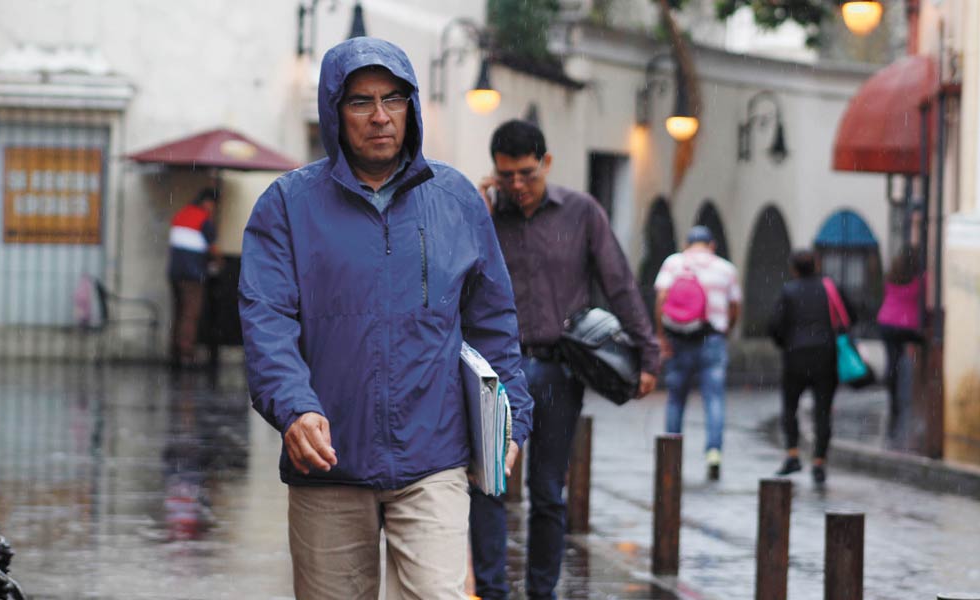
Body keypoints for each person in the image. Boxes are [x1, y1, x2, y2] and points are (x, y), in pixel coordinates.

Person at [238, 37, 532, 600]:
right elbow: (266, 320)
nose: (380, 116)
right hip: (327, 461)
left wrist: (513, 416)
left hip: (435, 457)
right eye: (360, 101)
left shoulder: (455, 199)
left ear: (411, 105)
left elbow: (493, 321)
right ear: (334, 112)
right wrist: (294, 407)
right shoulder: (287, 205)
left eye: (393, 98)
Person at [470, 119, 659, 600]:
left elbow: (619, 282)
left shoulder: (581, 212)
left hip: (558, 369)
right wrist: (478, 212)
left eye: (527, 174)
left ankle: (542, 592)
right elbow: (459, 275)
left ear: (546, 163)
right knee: (488, 483)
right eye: (506, 175)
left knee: (548, 491)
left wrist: (648, 354)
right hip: (496, 371)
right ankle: (492, 591)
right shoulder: (484, 215)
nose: (517, 185)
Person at [654, 225, 741, 481]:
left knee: (675, 398)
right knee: (714, 398)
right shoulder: (725, 268)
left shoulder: (674, 263)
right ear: (712, 245)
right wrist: (726, 330)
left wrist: (661, 335)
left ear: (686, 244)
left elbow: (661, 300)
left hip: (678, 338)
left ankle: (671, 453)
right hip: (712, 338)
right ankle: (714, 452)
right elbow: (735, 305)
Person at [767, 249, 851, 484]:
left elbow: (774, 326)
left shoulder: (788, 291)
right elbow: (850, 316)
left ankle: (793, 454)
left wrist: (786, 343)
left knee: (789, 407)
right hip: (825, 355)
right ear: (816, 265)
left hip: (795, 356)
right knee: (823, 410)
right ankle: (819, 461)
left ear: (793, 269)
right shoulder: (830, 288)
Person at [876, 246, 925, 438]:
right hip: (908, 326)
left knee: (892, 360)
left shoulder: (891, 277)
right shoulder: (921, 279)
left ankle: (893, 399)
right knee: (925, 348)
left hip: (886, 323)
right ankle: (919, 392)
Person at [168, 188, 219, 369]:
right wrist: (219, 262)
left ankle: (174, 352)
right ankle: (186, 354)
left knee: (178, 312)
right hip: (193, 274)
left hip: (175, 272)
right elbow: (213, 249)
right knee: (191, 314)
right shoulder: (203, 219)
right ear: (207, 202)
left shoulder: (182, 214)